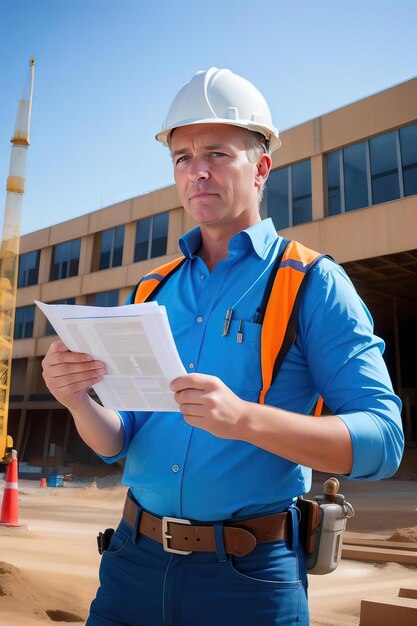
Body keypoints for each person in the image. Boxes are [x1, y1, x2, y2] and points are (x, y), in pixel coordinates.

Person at [42, 67, 404, 626]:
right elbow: (119, 442)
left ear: (261, 168)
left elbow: (383, 441)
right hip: (131, 566)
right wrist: (76, 401)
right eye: (182, 158)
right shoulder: (151, 290)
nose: (197, 172)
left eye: (216, 153)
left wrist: (243, 419)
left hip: (249, 581)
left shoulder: (311, 283)